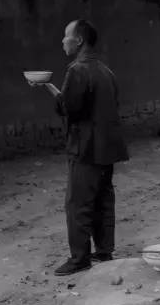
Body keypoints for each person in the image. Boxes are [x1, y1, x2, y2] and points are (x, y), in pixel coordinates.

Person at [29, 19, 129, 276]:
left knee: (77, 204)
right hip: (107, 149)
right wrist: (49, 85)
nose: (63, 41)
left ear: (79, 40)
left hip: (86, 149)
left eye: (66, 36)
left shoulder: (77, 70)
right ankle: (104, 251)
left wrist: (49, 90)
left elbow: (68, 108)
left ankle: (80, 258)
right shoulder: (106, 71)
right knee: (103, 200)